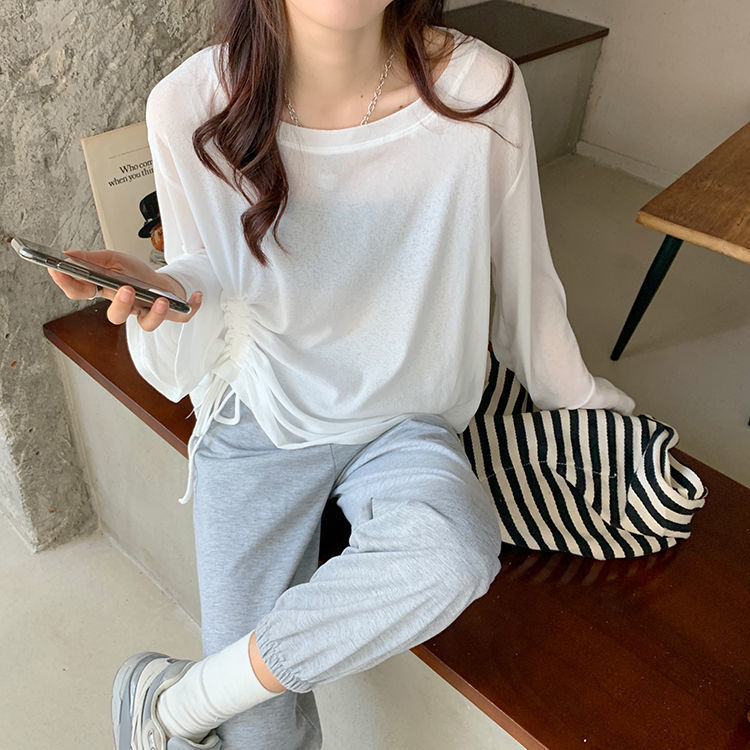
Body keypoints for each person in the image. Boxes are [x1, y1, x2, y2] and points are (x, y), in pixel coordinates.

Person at [49, 1, 635, 748]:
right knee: (263, 741)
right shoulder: (189, 106)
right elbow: (209, 291)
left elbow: (525, 285)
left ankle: (175, 702)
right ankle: (206, 704)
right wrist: (165, 291)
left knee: (451, 556)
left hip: (405, 420)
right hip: (260, 417)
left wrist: (586, 406)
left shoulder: (479, 90)